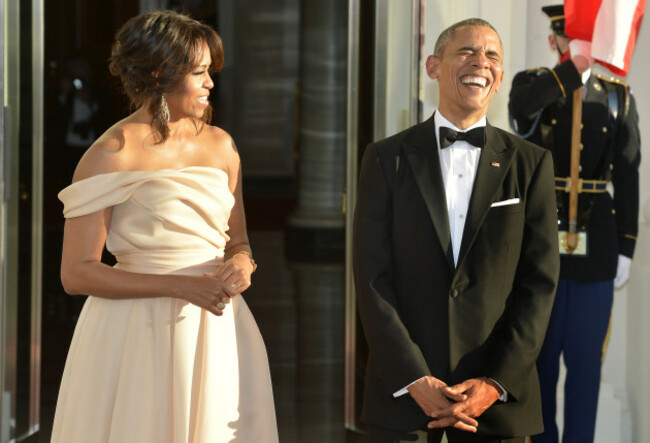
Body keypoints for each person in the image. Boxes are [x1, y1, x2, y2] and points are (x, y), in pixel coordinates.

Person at [51, 10, 278, 442]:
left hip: (217, 327)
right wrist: (181, 286)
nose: (211, 82)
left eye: (210, 71)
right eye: (199, 72)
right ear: (159, 73)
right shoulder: (110, 153)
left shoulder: (222, 145)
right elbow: (76, 272)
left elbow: (240, 240)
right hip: (136, 331)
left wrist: (243, 264)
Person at [353, 18, 560, 443]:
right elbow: (372, 280)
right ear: (433, 66)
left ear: (500, 78)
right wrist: (414, 379)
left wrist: (495, 383)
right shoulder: (384, 159)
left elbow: (539, 284)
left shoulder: (533, 164)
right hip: (403, 401)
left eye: (492, 56)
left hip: (495, 404)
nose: (480, 62)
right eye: (466, 51)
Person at [508, 5, 640, 443]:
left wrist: (626, 247)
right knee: (539, 364)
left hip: (596, 247)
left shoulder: (617, 96)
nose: (575, 44)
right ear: (554, 41)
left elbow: (628, 173)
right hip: (541, 248)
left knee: (585, 367)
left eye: (583, 38)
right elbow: (521, 111)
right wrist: (573, 69)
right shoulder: (533, 85)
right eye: (568, 38)